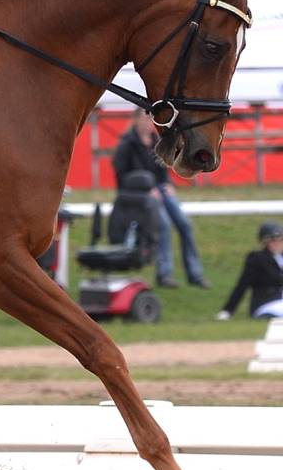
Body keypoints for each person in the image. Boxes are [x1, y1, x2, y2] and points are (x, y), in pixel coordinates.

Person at [111, 108, 209, 289]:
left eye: (150, 119)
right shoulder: (127, 145)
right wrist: (145, 188)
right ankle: (165, 274)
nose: (148, 123)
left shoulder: (156, 142)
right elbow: (122, 178)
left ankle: (195, 274)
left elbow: (163, 170)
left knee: (184, 224)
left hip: (160, 190)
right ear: (136, 120)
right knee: (163, 224)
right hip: (140, 195)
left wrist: (168, 184)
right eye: (144, 119)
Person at [215, 221, 283, 320]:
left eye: (280, 240)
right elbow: (242, 285)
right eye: (272, 240)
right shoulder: (257, 259)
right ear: (265, 242)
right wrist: (227, 310)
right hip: (266, 304)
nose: (277, 243)